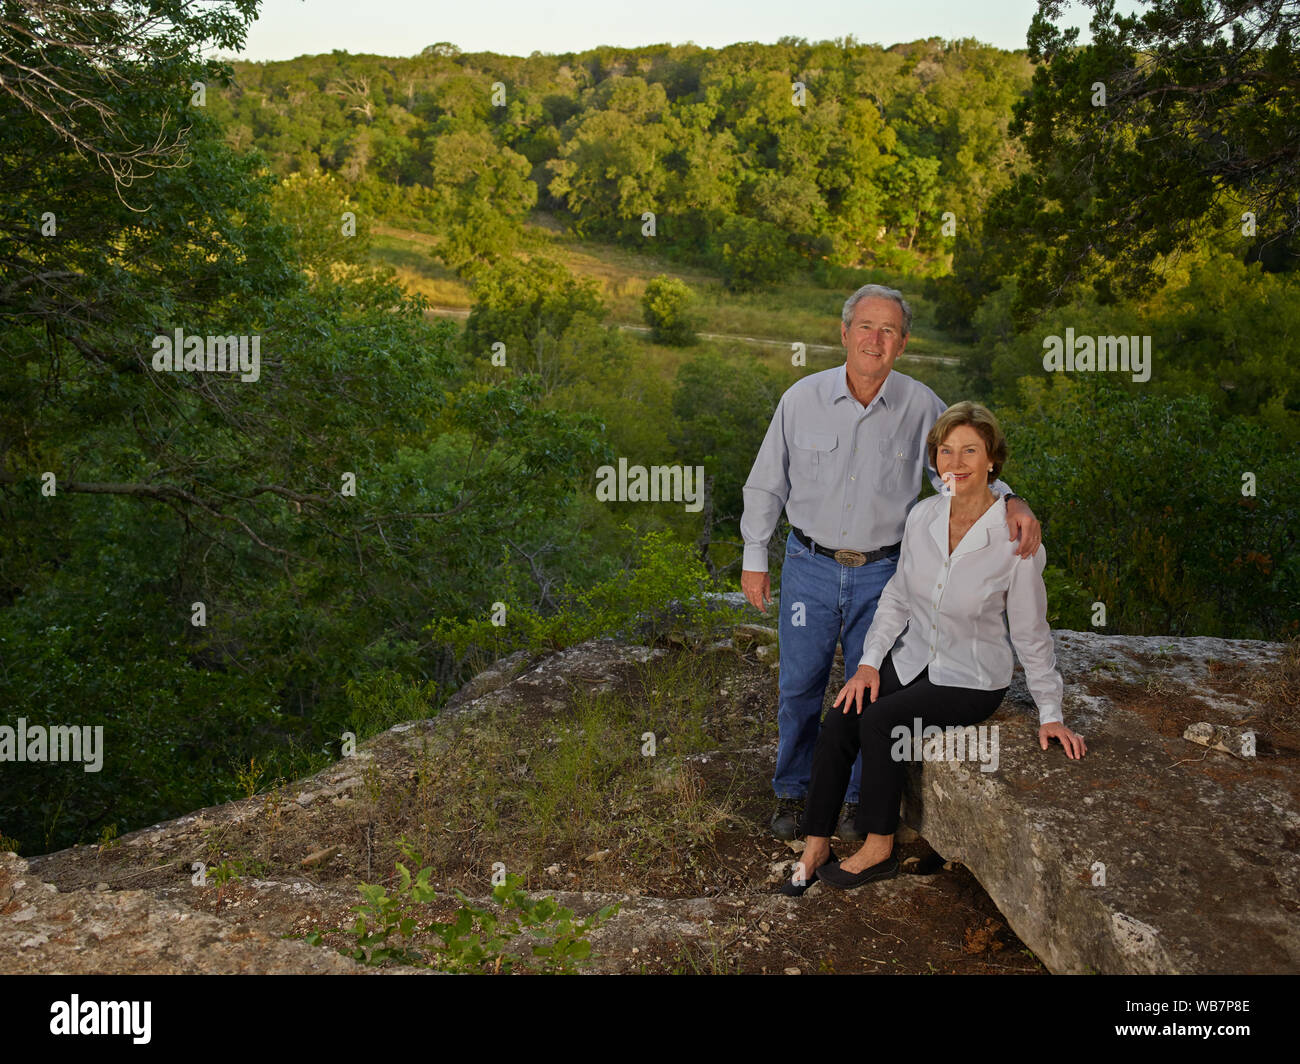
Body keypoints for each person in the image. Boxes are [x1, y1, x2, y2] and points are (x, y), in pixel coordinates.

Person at [740, 285, 1042, 842]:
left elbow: (959, 476)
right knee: (800, 685)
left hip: (885, 573)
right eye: (865, 327)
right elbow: (766, 483)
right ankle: (794, 790)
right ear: (844, 332)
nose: (874, 340)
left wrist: (1012, 499)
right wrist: (754, 555)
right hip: (809, 564)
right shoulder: (800, 399)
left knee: (872, 688)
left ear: (902, 344)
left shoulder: (923, 406)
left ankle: (858, 800)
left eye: (888, 332)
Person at [781, 401, 1086, 896]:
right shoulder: (922, 517)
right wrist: (866, 665)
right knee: (842, 714)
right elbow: (898, 597)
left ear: (993, 460)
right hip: (914, 658)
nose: (957, 462)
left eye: (970, 450)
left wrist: (1050, 711)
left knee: (882, 721)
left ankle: (879, 849)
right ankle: (817, 843)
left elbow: (1031, 632)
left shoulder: (1015, 540)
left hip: (970, 679)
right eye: (947, 451)